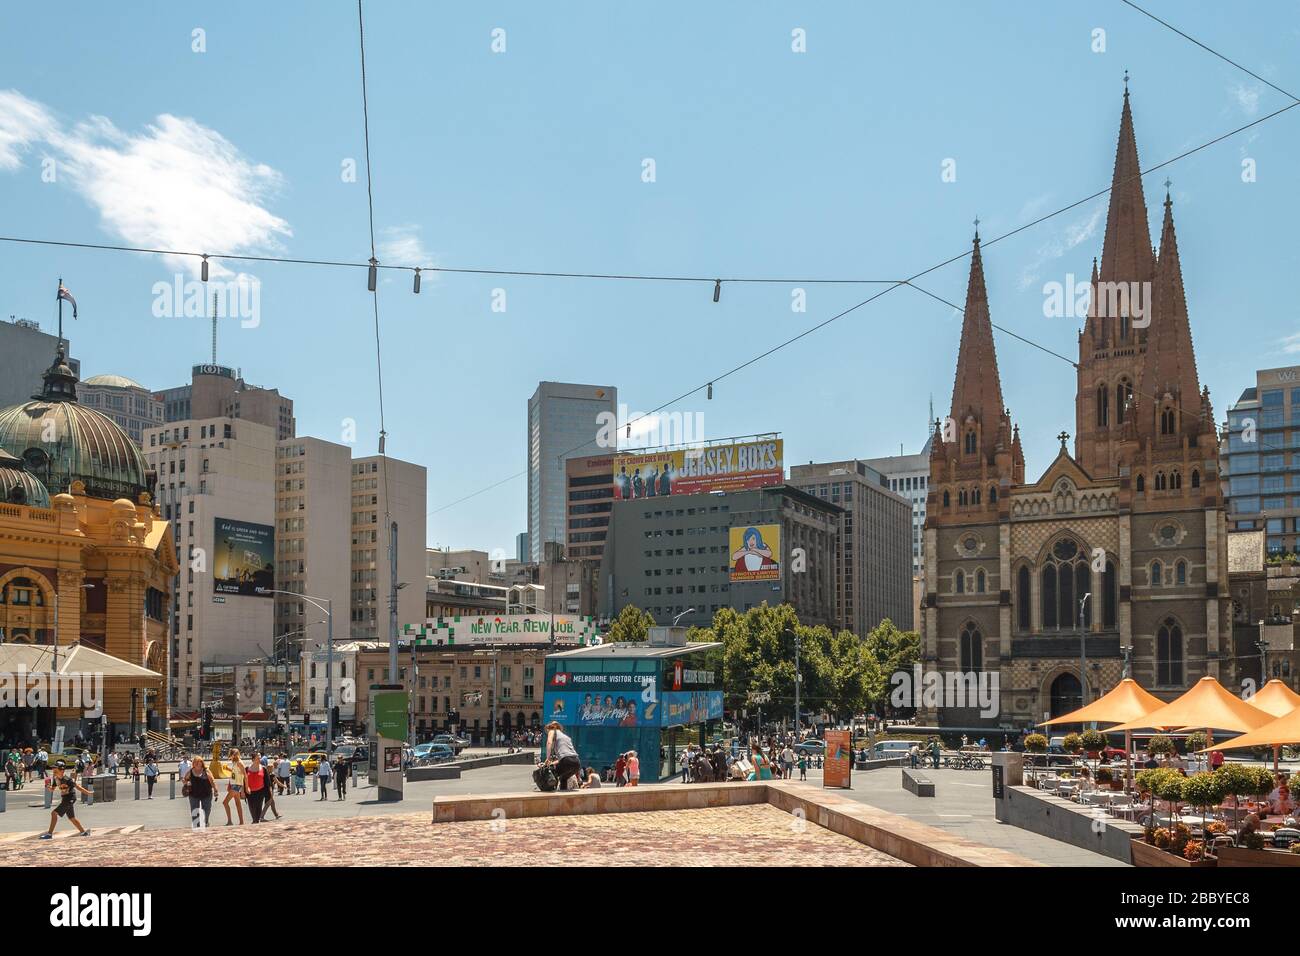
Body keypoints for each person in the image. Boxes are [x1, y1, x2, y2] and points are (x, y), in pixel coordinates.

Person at [41, 763, 92, 839]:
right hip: (65, 798)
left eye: (55, 768)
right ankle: (83, 832)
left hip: (70, 798)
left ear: (61, 770)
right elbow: (52, 789)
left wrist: (88, 793)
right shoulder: (56, 779)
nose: (53, 770)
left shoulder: (67, 779)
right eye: (53, 768)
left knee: (54, 813)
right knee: (72, 818)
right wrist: (48, 787)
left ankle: (49, 834)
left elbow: (77, 787)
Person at [544, 720, 582, 791]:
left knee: (551, 773)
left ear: (549, 728)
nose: (547, 733)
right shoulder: (566, 737)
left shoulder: (552, 731)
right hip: (576, 763)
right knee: (563, 778)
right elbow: (566, 757)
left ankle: (551, 795)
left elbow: (549, 743)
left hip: (567, 761)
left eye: (547, 731)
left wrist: (548, 758)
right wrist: (553, 763)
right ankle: (563, 793)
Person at [183, 756, 215, 830]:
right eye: (196, 762)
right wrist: (187, 783)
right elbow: (185, 779)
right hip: (194, 794)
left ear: (202, 763)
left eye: (199, 762)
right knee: (194, 810)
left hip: (206, 793)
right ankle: (196, 826)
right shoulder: (190, 771)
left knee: (206, 810)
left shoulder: (206, 771)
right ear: (193, 763)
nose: (197, 764)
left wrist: (216, 790)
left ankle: (205, 822)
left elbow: (212, 781)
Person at [222, 748, 246, 826]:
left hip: (236, 785)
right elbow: (235, 774)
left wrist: (243, 790)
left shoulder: (239, 762)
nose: (231, 757)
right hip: (235, 784)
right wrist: (228, 769)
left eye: (232, 755)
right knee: (237, 803)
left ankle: (230, 821)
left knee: (225, 802)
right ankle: (241, 822)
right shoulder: (236, 762)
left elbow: (244, 775)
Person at [244, 752, 268, 823]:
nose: (259, 760)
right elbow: (243, 780)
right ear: (253, 759)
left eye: (260, 758)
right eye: (258, 758)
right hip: (250, 792)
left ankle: (256, 822)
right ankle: (255, 821)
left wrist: (268, 793)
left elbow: (267, 782)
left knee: (258, 809)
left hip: (260, 791)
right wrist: (243, 790)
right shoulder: (247, 768)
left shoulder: (263, 768)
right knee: (252, 809)